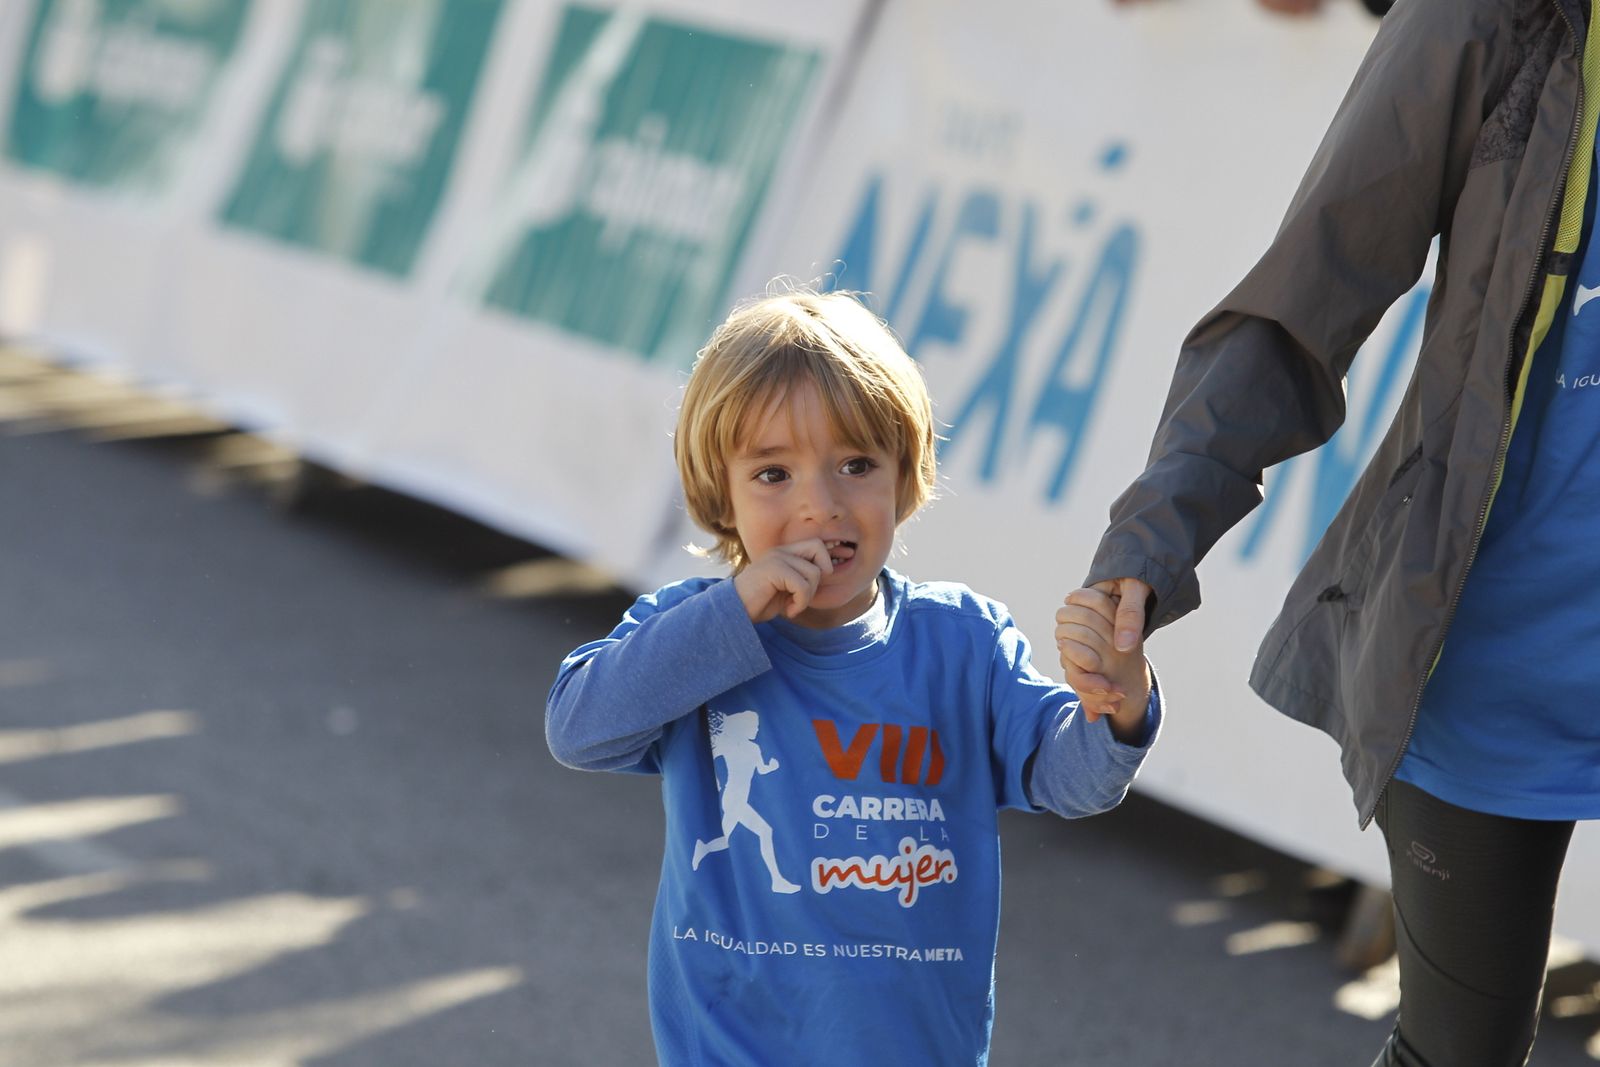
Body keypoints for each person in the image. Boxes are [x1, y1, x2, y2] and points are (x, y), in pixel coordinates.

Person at [1057, 0, 1597, 1064]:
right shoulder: (1490, 18)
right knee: (1457, 1050)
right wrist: (1150, 541)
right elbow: (1304, 296)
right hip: (1484, 655)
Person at [546, 289, 1161, 1066]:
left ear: (904, 476)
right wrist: (733, 611)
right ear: (720, 492)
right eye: (773, 472)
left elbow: (1073, 778)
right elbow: (578, 728)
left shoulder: (962, 642)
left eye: (856, 465)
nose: (820, 505)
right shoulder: (693, 631)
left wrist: (1118, 700)